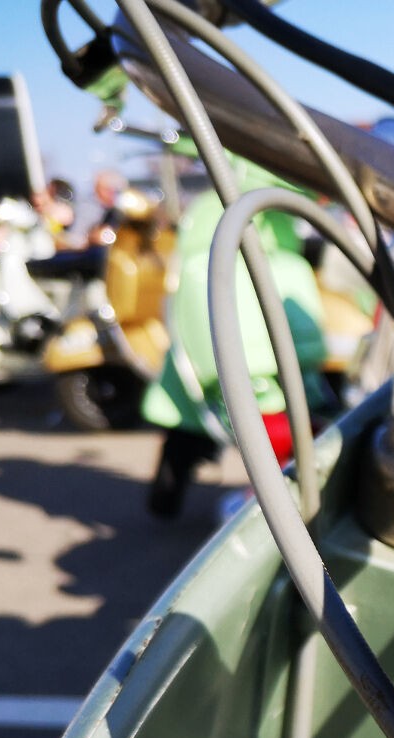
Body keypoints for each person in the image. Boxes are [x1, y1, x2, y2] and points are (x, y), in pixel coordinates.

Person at [143, 157, 329, 518]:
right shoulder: (221, 218)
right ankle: (169, 494)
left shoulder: (278, 230)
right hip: (241, 362)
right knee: (199, 417)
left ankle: (170, 492)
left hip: (271, 361)